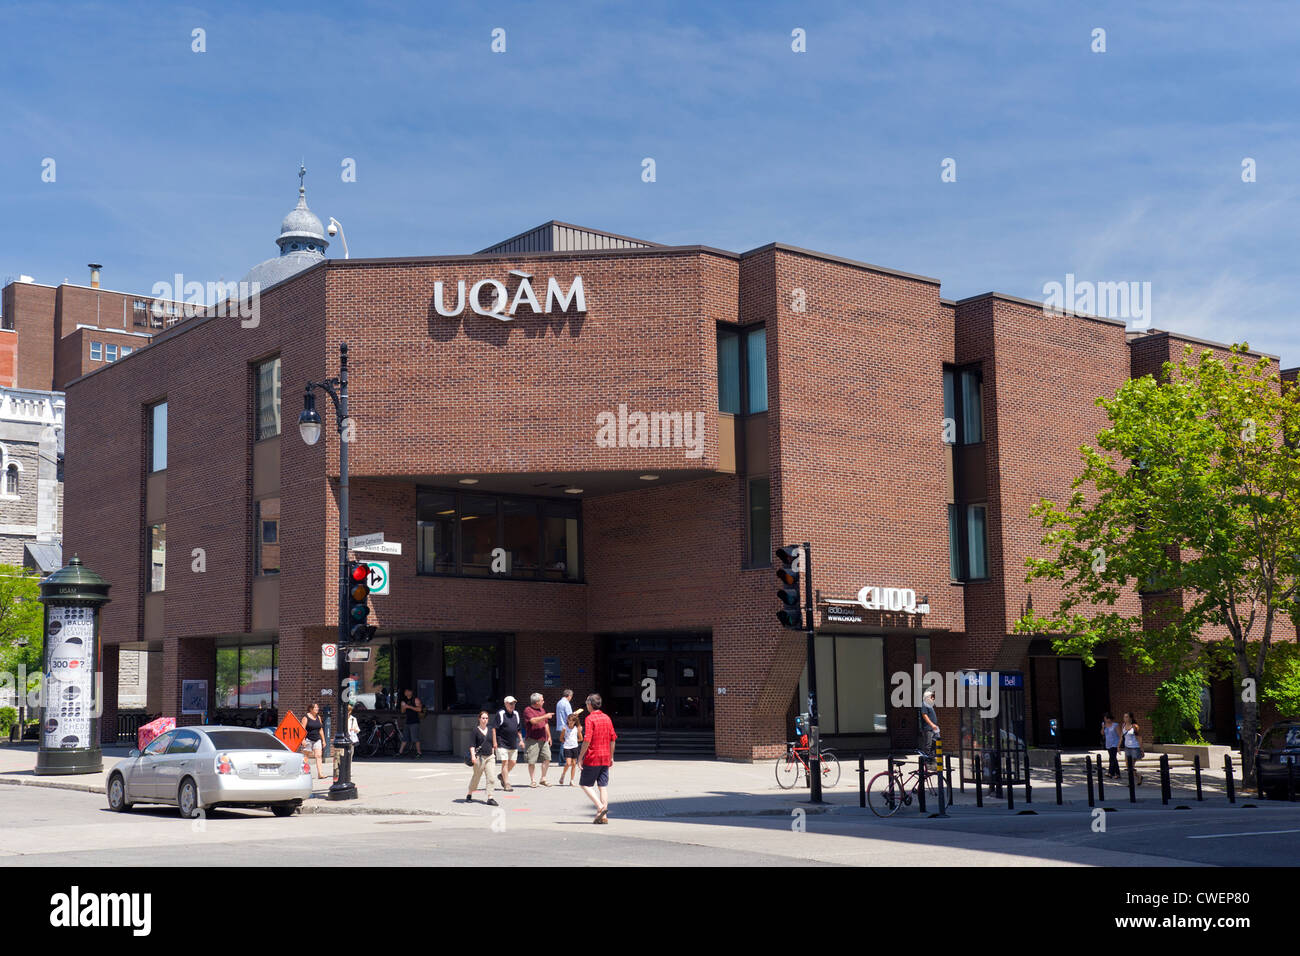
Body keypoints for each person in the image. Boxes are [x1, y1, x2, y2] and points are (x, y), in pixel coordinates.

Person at [577, 693, 617, 823]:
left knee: (584, 784)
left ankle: (600, 807)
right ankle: (603, 816)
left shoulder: (590, 719)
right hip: (605, 756)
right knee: (602, 786)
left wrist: (580, 757)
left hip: (593, 756)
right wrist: (611, 756)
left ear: (589, 704)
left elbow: (587, 739)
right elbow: (613, 739)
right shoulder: (607, 718)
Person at [465, 710, 499, 806]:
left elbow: (492, 743)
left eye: (486, 718)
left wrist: (493, 753)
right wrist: (472, 756)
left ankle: (490, 797)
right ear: (479, 719)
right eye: (483, 718)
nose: (485, 720)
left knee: (491, 777)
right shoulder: (475, 730)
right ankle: (469, 793)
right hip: (479, 757)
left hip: (490, 757)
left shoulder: (490, 729)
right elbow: (472, 745)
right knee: (476, 777)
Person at [492, 696, 523, 791]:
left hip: (513, 742)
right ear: (505, 704)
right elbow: (494, 729)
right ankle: (507, 784)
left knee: (513, 762)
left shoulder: (516, 714)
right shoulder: (501, 714)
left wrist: (521, 740)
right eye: (510, 703)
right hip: (502, 742)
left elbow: (518, 729)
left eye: (513, 703)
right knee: (504, 763)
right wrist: (495, 742)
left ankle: (502, 775)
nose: (512, 705)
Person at [523, 692, 555, 787]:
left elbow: (546, 724)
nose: (543, 701)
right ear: (536, 702)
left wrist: (549, 736)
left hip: (543, 739)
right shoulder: (528, 710)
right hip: (532, 740)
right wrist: (545, 716)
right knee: (532, 761)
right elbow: (533, 721)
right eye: (542, 700)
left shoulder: (542, 710)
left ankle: (543, 778)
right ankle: (533, 780)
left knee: (547, 758)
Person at [301, 702, 328, 779]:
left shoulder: (318, 717)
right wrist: (303, 740)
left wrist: (323, 740)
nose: (317, 709)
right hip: (308, 739)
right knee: (306, 756)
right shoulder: (306, 717)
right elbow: (302, 729)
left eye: (317, 707)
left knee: (318, 756)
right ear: (311, 709)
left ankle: (320, 774)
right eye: (315, 707)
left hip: (317, 739)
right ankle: (303, 772)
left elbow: (320, 729)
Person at [558, 708, 584, 786]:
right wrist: (566, 741)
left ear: (575, 722)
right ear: (567, 720)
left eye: (572, 721)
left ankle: (572, 780)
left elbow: (581, 738)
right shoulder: (564, 728)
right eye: (569, 720)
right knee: (568, 763)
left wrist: (575, 741)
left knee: (573, 764)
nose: (571, 722)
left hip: (574, 747)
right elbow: (561, 738)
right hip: (567, 747)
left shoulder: (577, 729)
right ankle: (563, 775)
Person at [398, 689, 423, 758]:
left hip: (415, 721)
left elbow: (420, 709)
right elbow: (402, 712)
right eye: (405, 691)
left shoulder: (415, 699)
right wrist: (403, 707)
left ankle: (419, 753)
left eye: (408, 691)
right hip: (407, 721)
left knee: (415, 738)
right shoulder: (404, 701)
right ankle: (400, 752)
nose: (406, 693)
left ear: (411, 692)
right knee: (405, 738)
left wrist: (408, 706)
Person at [1121, 712, 1144, 786]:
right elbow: (1122, 736)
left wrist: (1141, 749)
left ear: (1131, 718)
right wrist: (1118, 746)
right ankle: (1139, 776)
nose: (1125, 718)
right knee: (1128, 766)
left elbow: (1139, 738)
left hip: (1135, 748)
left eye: (1127, 717)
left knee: (1131, 767)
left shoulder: (1135, 726)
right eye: (1124, 717)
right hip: (1127, 748)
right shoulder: (1123, 725)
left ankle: (1131, 783)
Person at [919, 689, 940, 764]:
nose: (933, 698)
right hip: (928, 728)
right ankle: (926, 762)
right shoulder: (924, 704)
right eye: (932, 697)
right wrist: (932, 724)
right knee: (928, 745)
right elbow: (924, 715)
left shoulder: (930, 705)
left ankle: (931, 760)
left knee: (934, 744)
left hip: (933, 729)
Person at [1101, 713, 1121, 778]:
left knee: (1112, 758)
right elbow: (1102, 733)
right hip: (1108, 743)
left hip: (1115, 743)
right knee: (1113, 758)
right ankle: (1117, 773)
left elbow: (1119, 734)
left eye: (1106, 718)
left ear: (1109, 719)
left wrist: (1119, 744)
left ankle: (1111, 772)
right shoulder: (1104, 724)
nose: (1105, 720)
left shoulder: (1115, 725)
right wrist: (1103, 727)